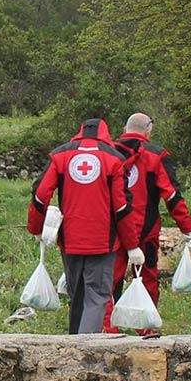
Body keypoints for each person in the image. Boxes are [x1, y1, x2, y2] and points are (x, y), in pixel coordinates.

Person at [27, 118, 142, 333]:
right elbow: (122, 207)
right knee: (97, 296)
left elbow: (41, 194)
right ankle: (84, 347)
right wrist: (132, 245)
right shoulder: (114, 159)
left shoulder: (60, 155)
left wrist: (35, 227)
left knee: (76, 295)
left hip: (70, 241)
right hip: (103, 242)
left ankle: (74, 343)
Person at [104, 112, 191, 332]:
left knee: (109, 279)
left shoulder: (107, 153)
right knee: (148, 277)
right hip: (145, 229)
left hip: (113, 228)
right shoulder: (157, 155)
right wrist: (186, 226)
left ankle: (107, 329)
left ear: (125, 129)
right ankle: (146, 328)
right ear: (148, 130)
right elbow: (171, 195)